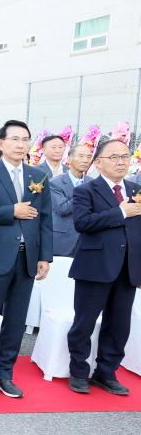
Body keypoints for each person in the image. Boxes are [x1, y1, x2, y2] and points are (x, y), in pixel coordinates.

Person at [0, 119, 52, 399]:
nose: (20, 144)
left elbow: (46, 219)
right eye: (14, 139)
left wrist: (45, 256)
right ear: (1, 143)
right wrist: (10, 211)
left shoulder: (38, 176)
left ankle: (4, 372)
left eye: (25, 139)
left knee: (15, 321)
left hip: (27, 258)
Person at [66, 140, 141, 396]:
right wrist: (120, 213)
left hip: (128, 269)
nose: (121, 161)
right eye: (114, 157)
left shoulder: (136, 189)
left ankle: (106, 373)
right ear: (98, 163)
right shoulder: (86, 190)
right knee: (84, 323)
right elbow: (82, 223)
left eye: (125, 156)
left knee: (119, 325)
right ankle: (78, 371)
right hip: (95, 267)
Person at [49, 143, 94, 257]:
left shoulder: (93, 182)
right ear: (69, 159)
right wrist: (84, 194)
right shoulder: (55, 183)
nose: (85, 160)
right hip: (63, 240)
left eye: (89, 157)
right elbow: (63, 208)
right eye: (81, 156)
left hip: (88, 240)